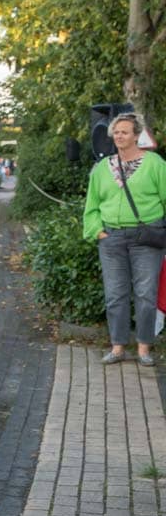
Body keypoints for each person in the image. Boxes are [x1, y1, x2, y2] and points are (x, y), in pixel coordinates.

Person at [83, 113, 166, 366]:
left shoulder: (155, 164)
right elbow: (92, 204)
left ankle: (143, 348)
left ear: (136, 135)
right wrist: (97, 231)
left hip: (146, 238)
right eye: (116, 132)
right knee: (115, 294)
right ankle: (118, 347)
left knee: (145, 293)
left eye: (125, 131)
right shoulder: (102, 167)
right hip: (112, 237)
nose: (119, 136)